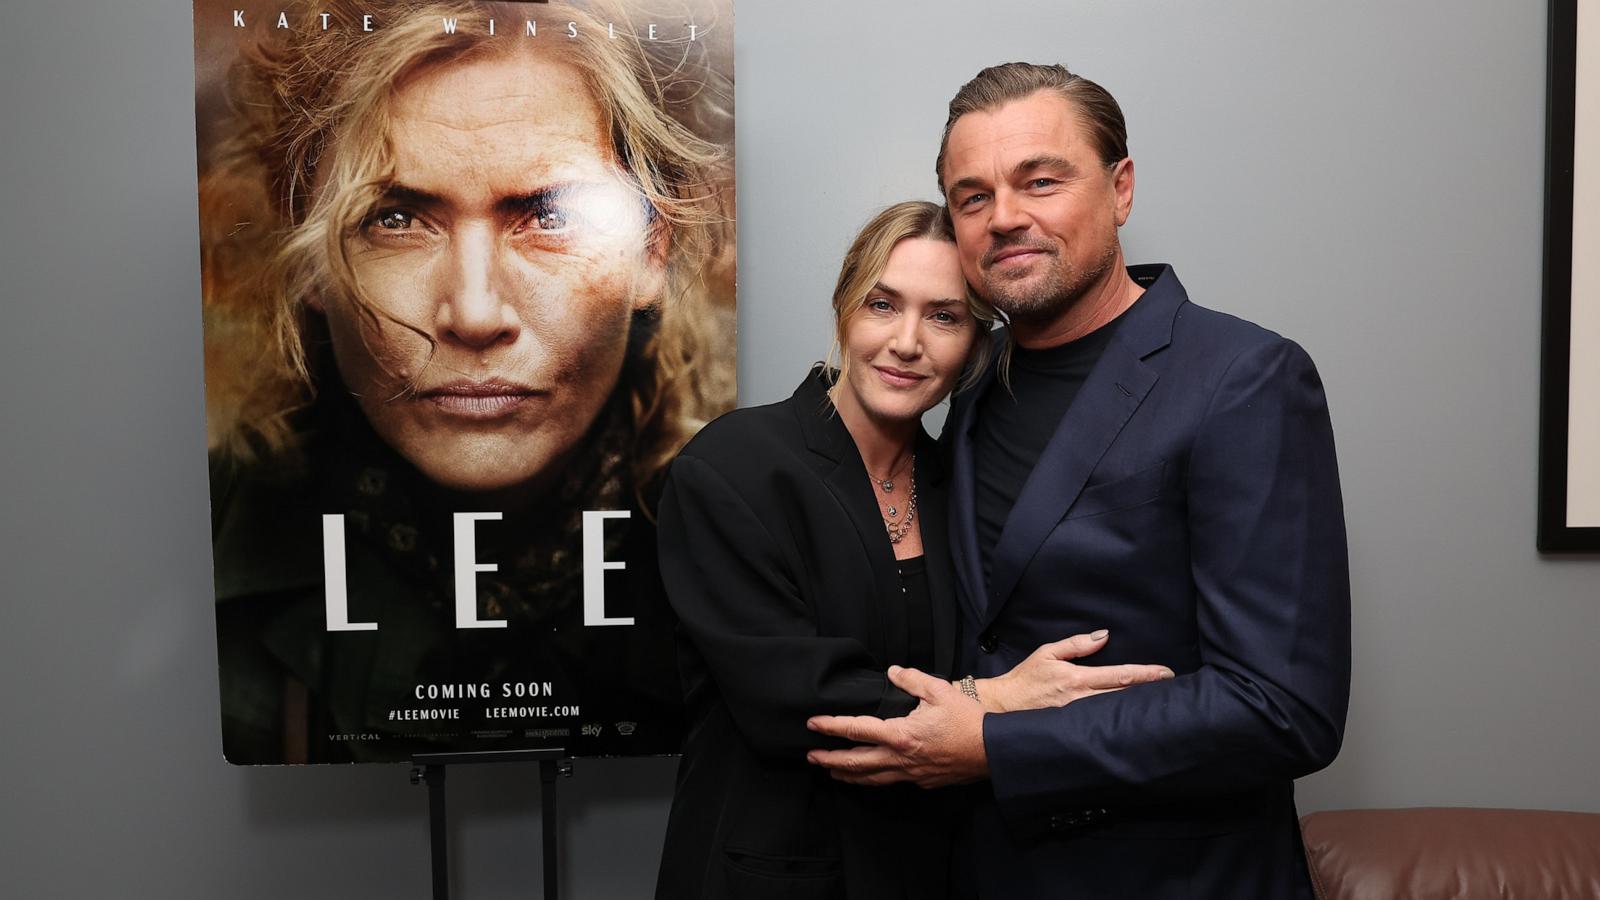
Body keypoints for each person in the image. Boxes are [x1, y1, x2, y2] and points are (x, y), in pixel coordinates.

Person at [808, 63, 1352, 899]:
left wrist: (994, 743)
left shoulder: (1243, 378)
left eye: (1042, 181)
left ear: (1121, 188)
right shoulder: (972, 388)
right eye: (973, 196)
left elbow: (1284, 706)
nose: (1006, 218)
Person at [199, 0, 735, 763]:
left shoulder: (738, 545)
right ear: (310, 256)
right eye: (395, 218)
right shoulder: (220, 548)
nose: (476, 313)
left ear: (653, 249)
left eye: (550, 213)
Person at [653, 201, 1174, 899]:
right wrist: (990, 699)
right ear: (844, 310)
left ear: (976, 346)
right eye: (882, 304)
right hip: (774, 874)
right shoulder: (734, 467)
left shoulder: (960, 484)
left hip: (930, 871)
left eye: (944, 316)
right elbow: (794, 699)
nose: (906, 342)